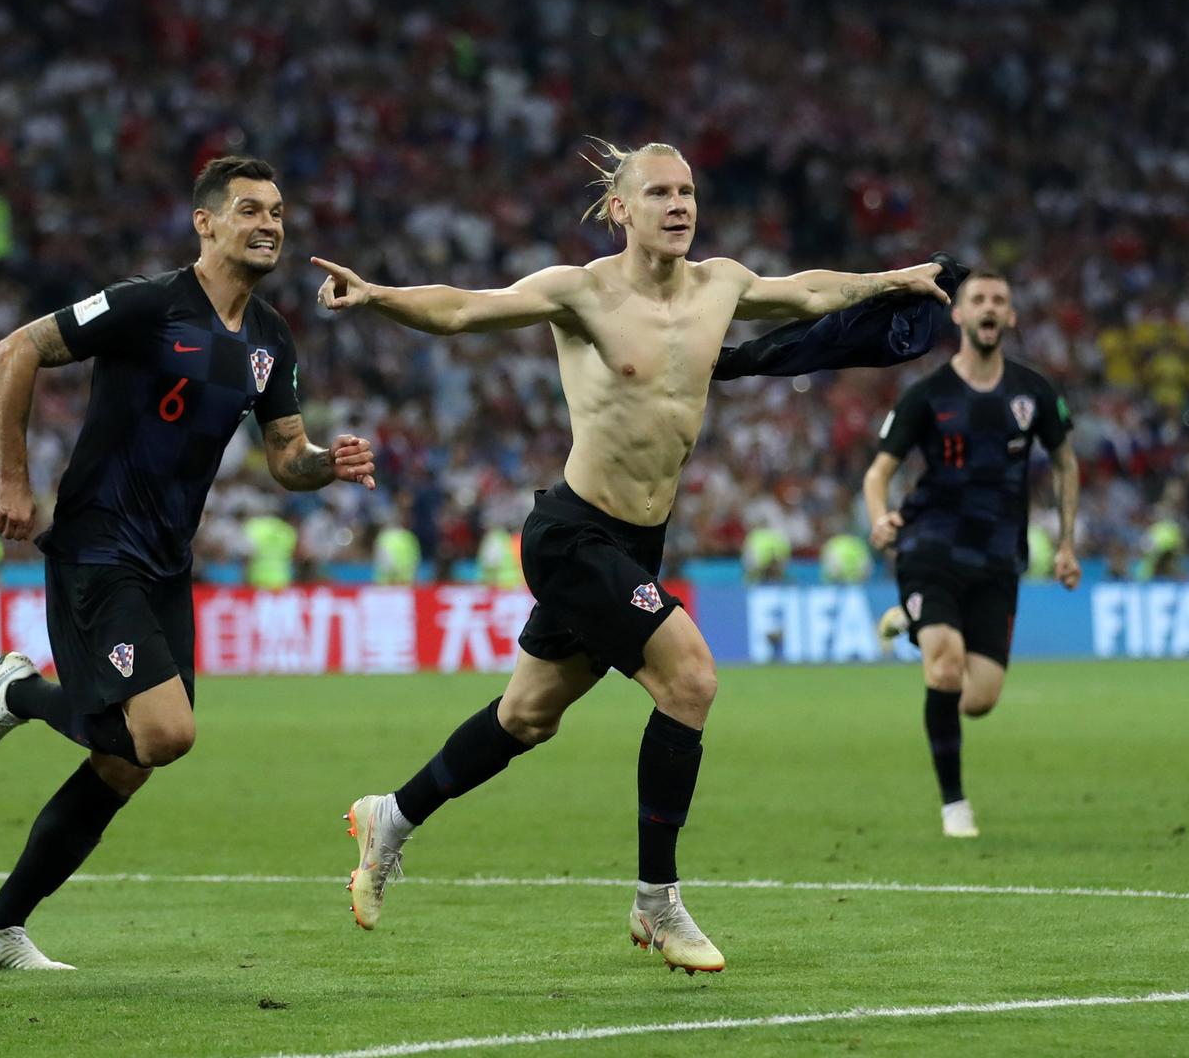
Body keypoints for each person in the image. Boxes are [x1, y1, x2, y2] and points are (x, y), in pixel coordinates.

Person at [313, 139, 954, 975]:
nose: (678, 204)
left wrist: (892, 280)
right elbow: (466, 310)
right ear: (620, 209)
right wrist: (377, 296)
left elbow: (807, 293)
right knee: (690, 680)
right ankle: (657, 902)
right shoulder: (581, 292)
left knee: (525, 717)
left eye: (686, 191)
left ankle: (390, 817)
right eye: (658, 192)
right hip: (572, 536)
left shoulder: (719, 284)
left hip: (638, 541)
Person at [0, 156, 375, 969]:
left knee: (131, 760)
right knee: (166, 730)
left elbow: (285, 456)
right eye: (249, 209)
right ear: (204, 223)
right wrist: (12, 475)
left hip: (165, 563)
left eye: (277, 212)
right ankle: (18, 693)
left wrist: (327, 464)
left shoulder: (269, 338)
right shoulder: (147, 304)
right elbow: (16, 350)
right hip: (97, 545)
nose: (269, 224)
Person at [864, 270, 1080, 839]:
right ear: (958, 314)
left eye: (999, 300)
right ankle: (954, 804)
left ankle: (909, 620)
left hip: (997, 558)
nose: (989, 307)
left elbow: (1065, 463)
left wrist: (1066, 543)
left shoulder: (1033, 392)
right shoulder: (927, 395)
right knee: (944, 667)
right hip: (929, 545)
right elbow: (878, 473)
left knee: (978, 698)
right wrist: (880, 517)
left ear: (1010, 317)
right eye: (978, 299)